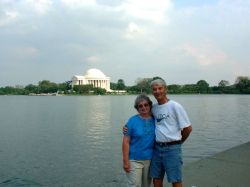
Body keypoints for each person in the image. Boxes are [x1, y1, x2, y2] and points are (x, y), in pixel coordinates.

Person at [149, 78, 192, 187]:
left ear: (165, 89)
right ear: (152, 92)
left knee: (175, 180)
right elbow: (142, 116)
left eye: (160, 88)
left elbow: (188, 128)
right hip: (157, 148)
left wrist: (178, 142)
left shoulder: (175, 106)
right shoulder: (154, 108)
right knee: (156, 179)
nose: (157, 91)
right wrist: (128, 126)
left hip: (172, 149)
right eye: (154, 89)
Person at [122, 94, 155, 187]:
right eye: (140, 106)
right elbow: (125, 142)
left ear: (150, 105)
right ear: (137, 108)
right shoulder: (132, 121)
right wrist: (125, 161)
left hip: (150, 160)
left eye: (146, 105)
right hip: (134, 160)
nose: (143, 107)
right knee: (134, 185)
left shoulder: (155, 119)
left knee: (146, 185)